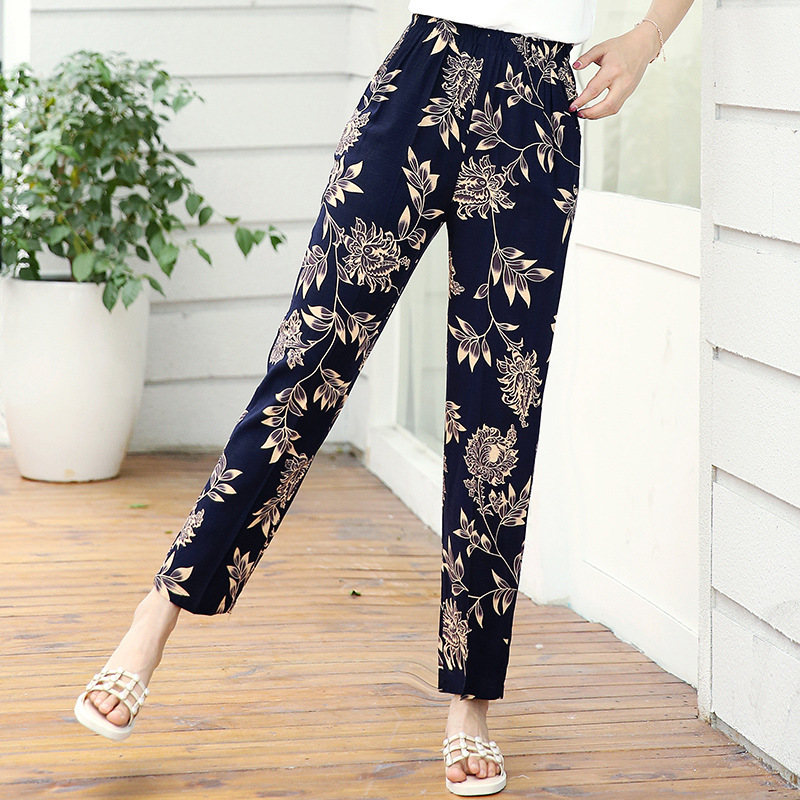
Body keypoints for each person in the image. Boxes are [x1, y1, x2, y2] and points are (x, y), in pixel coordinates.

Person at [74, 0, 696, 795]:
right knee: (310, 361)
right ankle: (159, 610)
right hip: (425, 69)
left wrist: (648, 37)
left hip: (540, 100)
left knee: (499, 413)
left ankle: (471, 701)